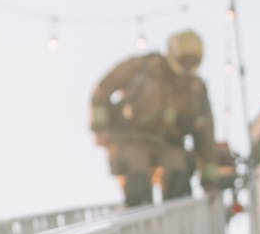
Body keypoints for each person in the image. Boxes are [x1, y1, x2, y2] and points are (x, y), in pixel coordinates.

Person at [89, 29, 221, 207]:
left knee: (178, 172)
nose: (188, 66)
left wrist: (209, 181)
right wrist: (100, 127)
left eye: (193, 62)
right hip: (131, 138)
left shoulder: (196, 89)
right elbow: (102, 89)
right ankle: (137, 212)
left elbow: (206, 135)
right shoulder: (142, 67)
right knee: (137, 177)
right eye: (184, 60)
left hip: (169, 143)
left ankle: (176, 219)